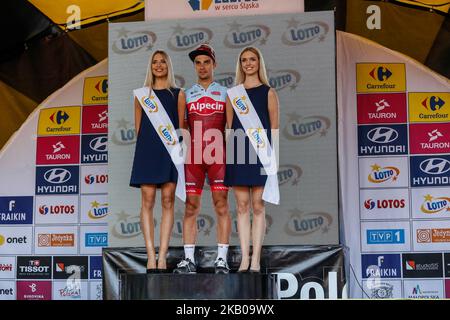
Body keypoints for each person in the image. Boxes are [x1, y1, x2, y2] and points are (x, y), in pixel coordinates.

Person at [174, 44, 232, 274]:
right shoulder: (185, 94)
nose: (202, 66)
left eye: (206, 62)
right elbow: (182, 128)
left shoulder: (226, 92)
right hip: (194, 156)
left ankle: (222, 259)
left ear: (214, 64)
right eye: (198, 63)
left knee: (221, 205)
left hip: (218, 154)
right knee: (190, 207)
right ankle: (189, 260)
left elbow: (230, 127)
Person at [224, 46, 280, 273]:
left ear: (259, 62)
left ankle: (256, 259)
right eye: (244, 60)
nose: (248, 63)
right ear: (240, 64)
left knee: (258, 206)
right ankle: (244, 259)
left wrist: (271, 161)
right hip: (239, 152)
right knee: (241, 206)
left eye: (252, 59)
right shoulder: (233, 94)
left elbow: (274, 129)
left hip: (261, 153)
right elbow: (230, 128)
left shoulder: (268, 92)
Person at [130, 50, 185, 273]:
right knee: (147, 199)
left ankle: (163, 256)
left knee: (168, 200)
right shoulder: (141, 95)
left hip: (169, 151)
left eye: (163, 62)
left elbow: (180, 129)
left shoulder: (178, 94)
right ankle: (150, 255)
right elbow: (138, 129)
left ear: (168, 65)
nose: (159, 65)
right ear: (150, 66)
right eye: (155, 62)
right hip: (148, 150)